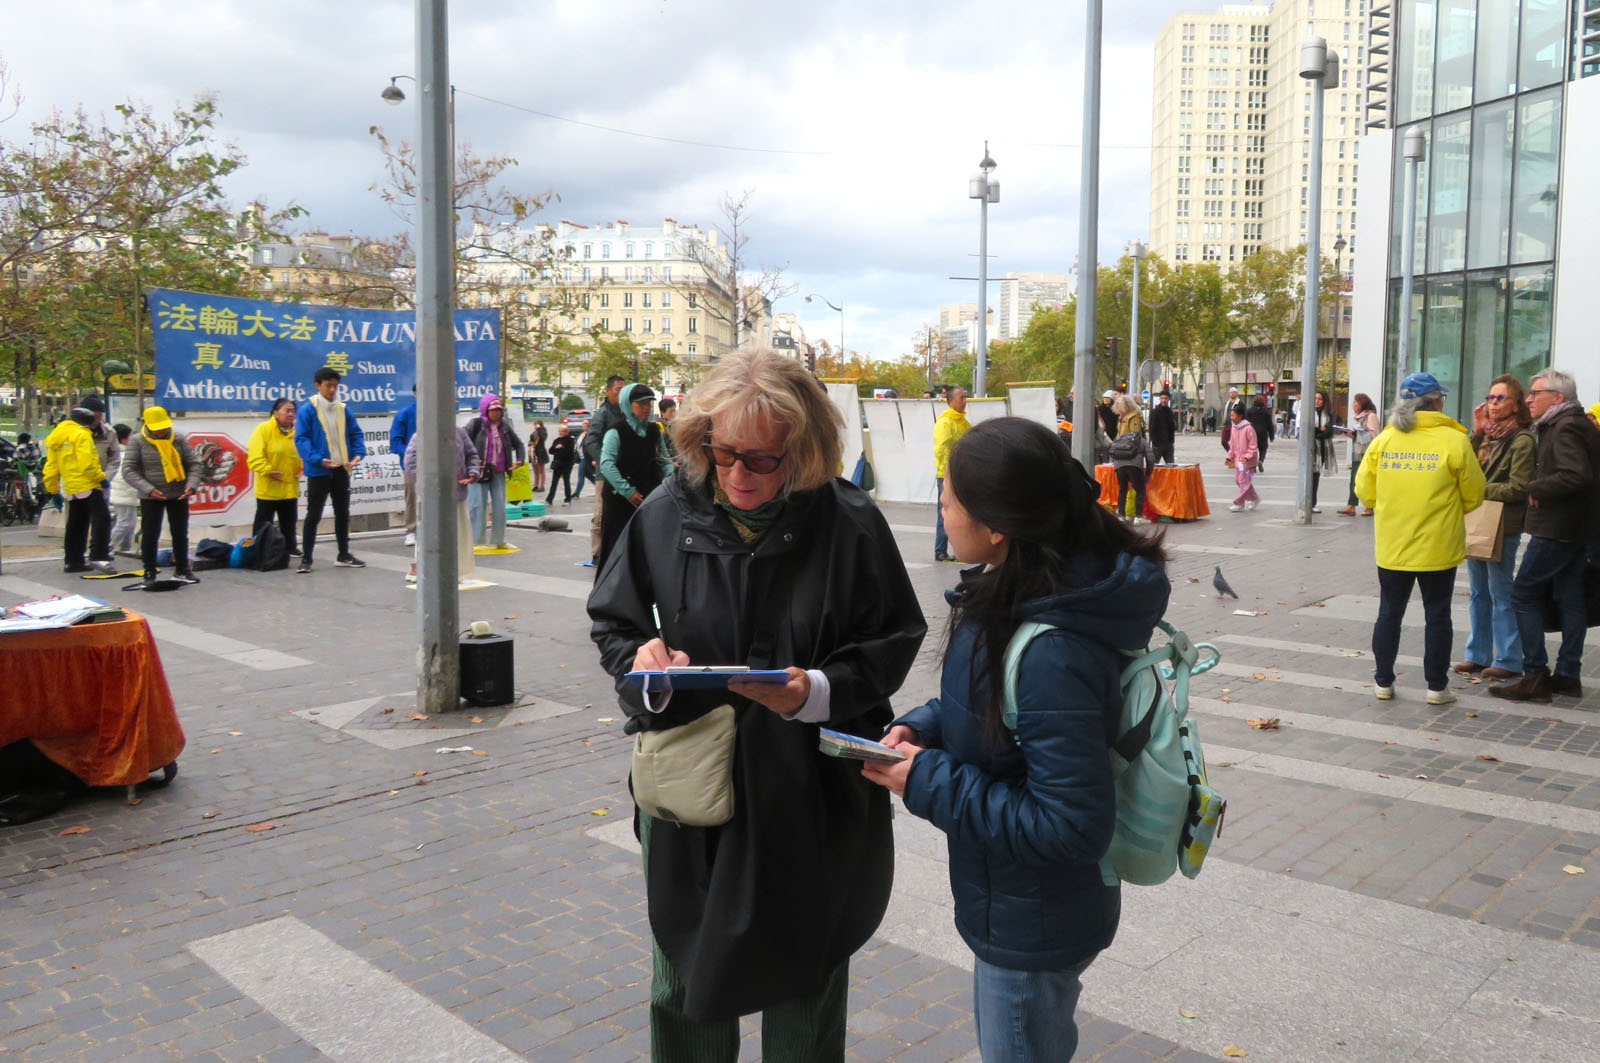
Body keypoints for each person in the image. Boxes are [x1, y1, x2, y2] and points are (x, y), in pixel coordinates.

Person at [587, 348, 927, 1061]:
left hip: (809, 791)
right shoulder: (663, 512)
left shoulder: (849, 522)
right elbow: (615, 622)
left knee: (806, 978)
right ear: (700, 439)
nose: (740, 474)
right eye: (725, 453)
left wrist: (816, 692)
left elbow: (895, 635)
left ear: (802, 452)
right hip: (692, 787)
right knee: (685, 976)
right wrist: (644, 660)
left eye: (764, 460)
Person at [862, 416, 1169, 1063]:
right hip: (1016, 903)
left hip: (1036, 921)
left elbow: (1071, 825)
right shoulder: (1019, 588)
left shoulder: (1051, 645)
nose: (939, 509)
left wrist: (925, 779)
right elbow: (995, 707)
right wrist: (925, 723)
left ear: (998, 524)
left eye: (948, 497)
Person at [1355, 372, 1485, 705]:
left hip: (1393, 546)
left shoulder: (1385, 440)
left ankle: (1383, 682)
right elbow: (1474, 495)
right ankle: (1436, 687)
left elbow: (1364, 493)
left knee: (1389, 613)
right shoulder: (1454, 441)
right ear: (1437, 402)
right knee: (1438, 615)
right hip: (1438, 547)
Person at [1490, 367, 1600, 703]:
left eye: (1535, 393)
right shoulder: (1573, 424)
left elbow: (1575, 475)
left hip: (1558, 528)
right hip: (1575, 528)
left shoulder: (1565, 427)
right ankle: (1567, 675)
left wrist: (1538, 487)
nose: (1528, 399)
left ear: (1558, 397)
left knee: (1522, 594)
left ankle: (1535, 674)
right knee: (1569, 596)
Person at [1453, 375, 1536, 682]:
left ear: (1516, 404)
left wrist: (1477, 489)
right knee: (1478, 593)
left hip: (1503, 524)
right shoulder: (1488, 436)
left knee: (1501, 592)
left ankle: (1509, 658)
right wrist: (1475, 433)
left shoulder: (1522, 439)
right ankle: (1478, 655)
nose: (1493, 403)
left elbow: (1518, 487)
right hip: (1478, 520)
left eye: (1501, 398)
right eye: (1490, 397)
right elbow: (1465, 465)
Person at [295, 366, 367, 573]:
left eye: (335, 386)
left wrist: (358, 454)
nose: (333, 390)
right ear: (317, 385)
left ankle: (343, 554)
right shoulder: (308, 409)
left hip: (341, 469)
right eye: (328, 386)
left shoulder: (343, 409)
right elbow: (301, 439)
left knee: (342, 513)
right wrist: (318, 459)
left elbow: (355, 434)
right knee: (314, 514)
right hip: (319, 470)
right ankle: (306, 558)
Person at [595, 384, 673, 574]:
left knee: (647, 549)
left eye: (648, 403)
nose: (646, 407)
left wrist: (671, 480)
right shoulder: (616, 431)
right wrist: (627, 491)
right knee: (617, 548)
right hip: (620, 501)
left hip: (648, 499)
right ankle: (611, 594)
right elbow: (606, 464)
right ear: (627, 405)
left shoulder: (654, 430)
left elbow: (664, 459)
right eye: (640, 404)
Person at [122, 406, 204, 585]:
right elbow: (129, 470)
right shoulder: (137, 442)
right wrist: (148, 489)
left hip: (179, 494)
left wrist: (191, 486)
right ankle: (149, 571)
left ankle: (182, 569)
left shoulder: (179, 439)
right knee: (151, 534)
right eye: (158, 428)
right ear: (148, 426)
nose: (162, 431)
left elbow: (194, 465)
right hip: (151, 496)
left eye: (164, 427)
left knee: (180, 533)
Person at [402, 423, 481, 585]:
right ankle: (425, 569)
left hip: (456, 492)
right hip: (433, 496)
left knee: (459, 533)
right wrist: (428, 484)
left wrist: (473, 472)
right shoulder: (421, 435)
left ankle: (458, 570)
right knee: (431, 533)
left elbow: (472, 454)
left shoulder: (460, 433)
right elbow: (410, 463)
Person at [42, 406, 106, 574]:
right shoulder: (82, 434)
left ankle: (72, 561)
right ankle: (99, 556)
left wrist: (52, 487)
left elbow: (50, 466)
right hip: (89, 485)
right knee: (103, 519)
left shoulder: (57, 436)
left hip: (71, 487)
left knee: (75, 524)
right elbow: (88, 463)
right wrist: (101, 479)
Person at [464, 393, 526, 549]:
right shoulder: (475, 425)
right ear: (485, 410)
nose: (496, 412)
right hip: (478, 472)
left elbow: (518, 444)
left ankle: (499, 540)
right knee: (477, 506)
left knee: (499, 507)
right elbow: (461, 443)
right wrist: (467, 465)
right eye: (493, 410)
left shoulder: (504, 426)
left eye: (498, 409)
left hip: (498, 472)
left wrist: (519, 460)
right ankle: (476, 541)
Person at [248, 398, 303, 558]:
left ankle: (290, 547)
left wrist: (303, 466)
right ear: (275, 413)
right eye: (287, 410)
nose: (291, 414)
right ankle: (258, 549)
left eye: (293, 410)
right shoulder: (263, 429)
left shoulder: (297, 432)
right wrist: (267, 470)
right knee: (264, 523)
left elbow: (302, 453)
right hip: (269, 486)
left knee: (289, 521)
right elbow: (254, 456)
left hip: (289, 486)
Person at [581, 375, 627, 567]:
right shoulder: (602, 414)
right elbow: (590, 441)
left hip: (624, 472)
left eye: (624, 389)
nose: (621, 393)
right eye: (618, 389)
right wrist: (605, 462)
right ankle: (597, 553)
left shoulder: (627, 411)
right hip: (605, 474)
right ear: (608, 391)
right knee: (601, 514)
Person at [933, 386, 971, 562]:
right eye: (961, 398)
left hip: (962, 472)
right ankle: (940, 550)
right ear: (951, 401)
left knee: (962, 512)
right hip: (947, 474)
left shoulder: (963, 422)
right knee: (946, 512)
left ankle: (960, 550)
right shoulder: (944, 422)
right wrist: (948, 471)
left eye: (965, 398)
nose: (965, 401)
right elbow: (942, 450)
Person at [80, 395, 119, 567]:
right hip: (79, 483)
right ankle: (77, 556)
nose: (96, 420)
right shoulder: (75, 433)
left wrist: (106, 478)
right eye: (93, 416)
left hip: (100, 483)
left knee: (102, 518)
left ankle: (98, 552)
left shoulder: (109, 433)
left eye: (99, 416)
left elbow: (114, 458)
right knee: (78, 521)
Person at [1110, 395, 1154, 524]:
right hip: (1133, 460)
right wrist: (1149, 470)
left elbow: (1118, 438)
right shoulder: (1135, 418)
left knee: (1122, 488)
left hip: (1119, 462)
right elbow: (1137, 438)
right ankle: (1138, 516)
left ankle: (1122, 514)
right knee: (1139, 488)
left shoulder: (1121, 419)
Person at [1336, 393, 1380, 516]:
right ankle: (1351, 505)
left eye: (1356, 402)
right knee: (1354, 478)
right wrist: (1348, 433)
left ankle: (1369, 506)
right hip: (1357, 451)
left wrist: (1357, 433)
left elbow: (1375, 435)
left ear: (1362, 404)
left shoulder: (1370, 416)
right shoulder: (1357, 417)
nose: (1353, 405)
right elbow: (1357, 435)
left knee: (1367, 479)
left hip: (1367, 453)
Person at [390, 386, 418, 546]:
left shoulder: (437, 412)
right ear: (414, 393)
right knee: (412, 497)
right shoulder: (405, 414)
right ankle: (411, 530)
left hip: (435, 465)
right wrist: (411, 454)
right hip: (412, 466)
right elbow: (395, 442)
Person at [108, 424, 138, 557]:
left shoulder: (118, 453)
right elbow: (123, 477)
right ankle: (106, 547)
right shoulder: (125, 454)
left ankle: (125, 548)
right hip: (125, 494)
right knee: (124, 523)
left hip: (125, 494)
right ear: (124, 439)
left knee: (129, 524)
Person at [1225, 403, 1260, 512]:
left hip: (1248, 462)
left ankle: (1239, 503)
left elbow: (1253, 446)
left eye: (1233, 415)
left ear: (1240, 416)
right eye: (1231, 415)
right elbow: (1233, 444)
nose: (1232, 418)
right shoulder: (1234, 428)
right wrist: (1230, 456)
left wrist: (1247, 457)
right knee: (1239, 480)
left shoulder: (1249, 428)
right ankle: (1254, 498)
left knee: (1243, 480)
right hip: (1239, 461)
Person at [1308, 389, 1337, 513]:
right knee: (1308, 475)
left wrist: (1319, 432)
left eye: (1319, 399)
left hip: (1323, 448)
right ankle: (1307, 501)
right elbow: (1308, 431)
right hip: (1310, 447)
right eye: (1315, 399)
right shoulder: (1309, 412)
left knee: (1316, 475)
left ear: (1324, 401)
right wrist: (1320, 430)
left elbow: (1329, 432)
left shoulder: (1328, 414)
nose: (1317, 401)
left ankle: (1313, 503)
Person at [545, 423, 578, 505]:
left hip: (567, 464)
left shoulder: (570, 440)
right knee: (554, 482)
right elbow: (550, 451)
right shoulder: (557, 440)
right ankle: (549, 499)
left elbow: (569, 452)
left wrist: (561, 448)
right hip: (557, 464)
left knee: (566, 481)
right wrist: (556, 448)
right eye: (559, 431)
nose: (560, 433)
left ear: (566, 432)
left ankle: (567, 500)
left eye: (562, 431)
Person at [1246, 395, 1275, 472]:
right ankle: (1261, 461)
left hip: (1252, 433)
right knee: (1263, 449)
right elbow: (1270, 424)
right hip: (1263, 433)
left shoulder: (1249, 411)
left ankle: (1253, 465)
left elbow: (1246, 423)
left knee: (1253, 449)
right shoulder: (1266, 411)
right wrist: (1271, 436)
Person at [1149, 391, 1175, 464]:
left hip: (1168, 444)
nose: (1163, 400)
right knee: (1154, 467)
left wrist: (1171, 441)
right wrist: (1155, 442)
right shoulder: (1155, 412)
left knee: (1171, 466)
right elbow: (1152, 428)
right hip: (1158, 445)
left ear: (1169, 399)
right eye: (1162, 398)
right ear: (1159, 399)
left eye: (1165, 398)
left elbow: (1172, 428)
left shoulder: (1170, 412)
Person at [530, 418, 549, 493]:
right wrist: (530, 443)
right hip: (534, 452)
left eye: (537, 424)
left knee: (541, 470)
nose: (535, 426)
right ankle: (536, 485)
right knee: (535, 470)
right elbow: (531, 440)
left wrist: (539, 429)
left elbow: (542, 438)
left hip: (541, 452)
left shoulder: (543, 432)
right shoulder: (534, 432)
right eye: (535, 425)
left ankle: (542, 486)